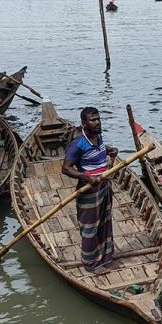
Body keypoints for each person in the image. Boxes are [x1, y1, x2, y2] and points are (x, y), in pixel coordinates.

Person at [62, 107, 118, 275]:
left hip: (104, 187)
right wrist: (86, 177)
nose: (97, 122)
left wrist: (109, 150)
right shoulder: (78, 144)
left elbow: (98, 151)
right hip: (89, 190)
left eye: (98, 119)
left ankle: (105, 256)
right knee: (90, 227)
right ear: (84, 123)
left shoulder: (98, 138)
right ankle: (90, 263)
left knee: (104, 221)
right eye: (93, 120)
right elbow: (66, 169)